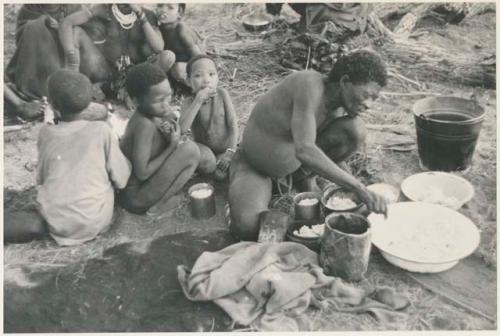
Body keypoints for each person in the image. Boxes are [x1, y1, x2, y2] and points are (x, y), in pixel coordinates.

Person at [228, 50, 389, 241]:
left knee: (355, 130)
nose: (369, 105)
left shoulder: (340, 107)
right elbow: (305, 149)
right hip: (256, 167)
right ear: (345, 82)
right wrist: (359, 188)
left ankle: (305, 180)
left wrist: (353, 193)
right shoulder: (308, 85)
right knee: (248, 226)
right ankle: (237, 200)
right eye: (366, 95)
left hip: (295, 166)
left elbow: (327, 154)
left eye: (374, 99)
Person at [4, 70, 132, 245]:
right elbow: (122, 179)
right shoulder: (101, 131)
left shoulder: (46, 133)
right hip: (97, 221)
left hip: (57, 223)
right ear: (89, 104)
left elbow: (41, 178)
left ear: (53, 107)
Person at [119, 63, 200, 214]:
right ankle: (159, 206)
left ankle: (160, 200)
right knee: (191, 151)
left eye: (168, 96)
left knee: (196, 153)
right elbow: (142, 173)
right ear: (136, 101)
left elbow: (175, 127)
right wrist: (172, 145)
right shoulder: (144, 125)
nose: (166, 104)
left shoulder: (156, 114)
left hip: (141, 191)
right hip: (136, 197)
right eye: (158, 101)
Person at [58, 3, 175, 103]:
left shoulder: (148, 14)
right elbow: (67, 22)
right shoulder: (105, 9)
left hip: (138, 74)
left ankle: (131, 90)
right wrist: (72, 60)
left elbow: (159, 47)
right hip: (108, 71)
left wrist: (140, 14)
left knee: (168, 57)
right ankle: (77, 87)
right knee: (76, 33)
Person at [4, 4, 82, 120]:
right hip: (35, 61)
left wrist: (61, 28)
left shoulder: (74, 7)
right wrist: (42, 23)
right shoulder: (28, 9)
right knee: (34, 26)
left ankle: (54, 91)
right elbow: (22, 44)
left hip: (62, 57)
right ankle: (33, 95)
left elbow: (83, 35)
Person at [179, 55, 238, 181]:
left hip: (225, 149)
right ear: (188, 81)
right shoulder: (189, 102)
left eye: (212, 74)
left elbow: (233, 124)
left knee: (225, 173)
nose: (206, 80)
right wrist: (199, 100)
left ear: (218, 77)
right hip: (205, 152)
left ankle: (219, 166)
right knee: (210, 164)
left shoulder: (222, 94)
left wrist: (230, 152)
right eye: (198, 76)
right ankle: (210, 168)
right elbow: (182, 129)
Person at [156, 3, 203, 85]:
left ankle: (195, 86)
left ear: (180, 12)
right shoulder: (158, 29)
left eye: (170, 7)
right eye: (160, 5)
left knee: (178, 70)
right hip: (171, 67)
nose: (163, 10)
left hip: (189, 67)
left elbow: (199, 57)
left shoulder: (181, 29)